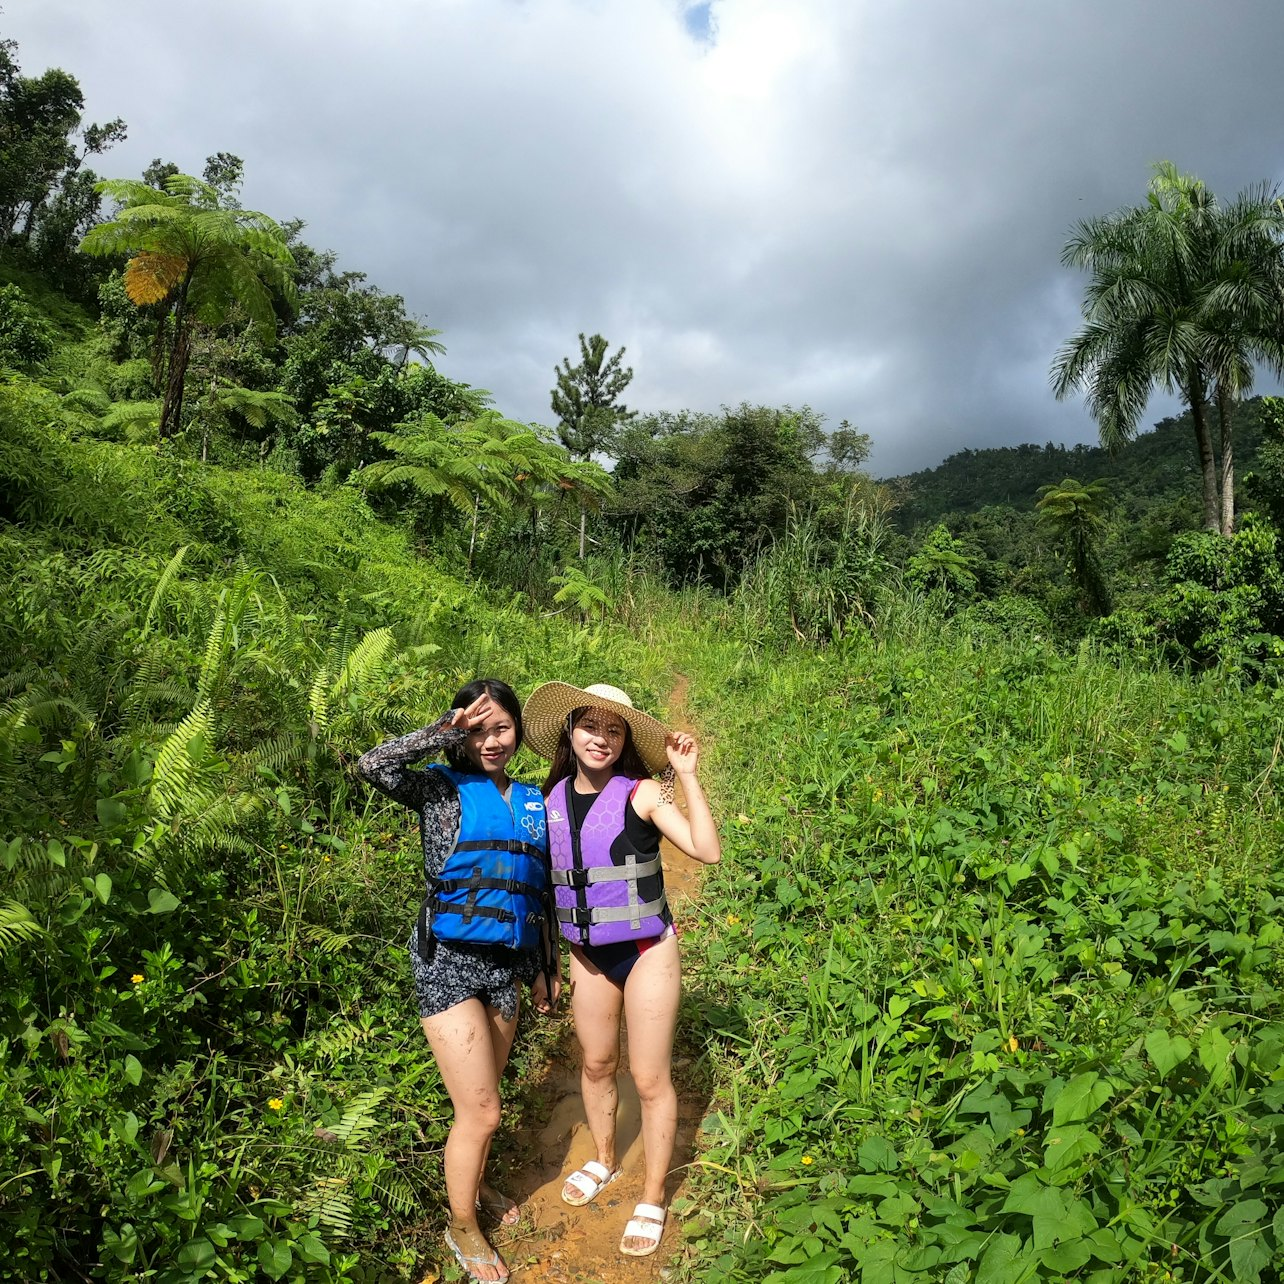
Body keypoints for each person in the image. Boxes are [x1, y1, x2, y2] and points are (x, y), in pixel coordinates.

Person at [357, 679, 556, 1284]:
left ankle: (474, 1182)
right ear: (462, 736)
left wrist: (546, 969)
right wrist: (442, 729)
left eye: (500, 728)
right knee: (484, 1111)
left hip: (507, 966)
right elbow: (372, 765)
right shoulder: (439, 788)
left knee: (483, 1099)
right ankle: (462, 1225)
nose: (491, 741)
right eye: (478, 730)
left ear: (518, 729)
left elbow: (537, 892)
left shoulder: (531, 800)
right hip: (447, 959)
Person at [522, 681, 720, 1259]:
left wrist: (685, 775)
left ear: (626, 739)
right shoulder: (549, 799)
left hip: (646, 951)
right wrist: (545, 962)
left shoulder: (644, 794)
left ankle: (654, 1194)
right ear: (569, 730)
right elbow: (544, 888)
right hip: (587, 953)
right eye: (590, 726)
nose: (601, 739)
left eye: (614, 729)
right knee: (598, 1061)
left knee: (649, 1075)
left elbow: (706, 851)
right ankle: (606, 1158)